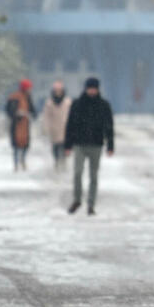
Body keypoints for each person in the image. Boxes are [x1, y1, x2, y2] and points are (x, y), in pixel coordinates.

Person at [64, 77, 114, 216]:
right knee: (78, 172)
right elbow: (70, 125)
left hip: (96, 145)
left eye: (94, 88)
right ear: (86, 88)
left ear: (97, 89)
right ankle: (77, 199)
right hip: (79, 144)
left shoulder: (104, 105)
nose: (92, 90)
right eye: (90, 88)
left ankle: (91, 204)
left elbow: (109, 127)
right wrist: (68, 145)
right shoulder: (77, 104)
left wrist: (110, 145)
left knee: (94, 176)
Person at [5, 79, 36, 171]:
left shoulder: (28, 97)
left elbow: (32, 109)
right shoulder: (15, 97)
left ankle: (22, 159)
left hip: (25, 124)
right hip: (16, 124)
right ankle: (16, 163)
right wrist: (17, 114)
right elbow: (10, 110)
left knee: (25, 144)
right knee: (16, 145)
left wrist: (32, 114)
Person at [41, 81, 72, 171]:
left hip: (65, 128)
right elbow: (46, 116)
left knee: (65, 147)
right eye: (56, 90)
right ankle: (57, 161)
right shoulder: (49, 103)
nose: (58, 92)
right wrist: (46, 128)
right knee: (55, 147)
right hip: (53, 129)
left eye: (60, 90)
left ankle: (63, 162)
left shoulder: (68, 102)